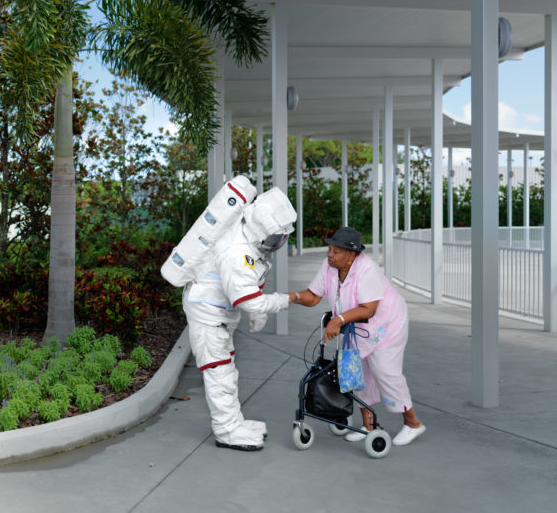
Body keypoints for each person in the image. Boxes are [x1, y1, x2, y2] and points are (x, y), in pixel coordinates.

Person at [182, 187, 296, 451]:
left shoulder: (244, 235)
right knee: (219, 373)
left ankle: (234, 423)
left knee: (227, 371)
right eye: (275, 237)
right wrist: (285, 300)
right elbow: (248, 299)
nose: (277, 243)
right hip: (208, 314)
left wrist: (256, 312)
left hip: (217, 312)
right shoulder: (236, 252)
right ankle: (226, 432)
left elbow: (250, 282)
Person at [289, 227, 426, 446]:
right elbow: (313, 296)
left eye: (335, 251)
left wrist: (338, 320)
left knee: (385, 373)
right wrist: (290, 297)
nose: (329, 255)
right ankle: (368, 426)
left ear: (352, 254)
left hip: (386, 325)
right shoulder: (330, 266)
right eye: (329, 249)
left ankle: (412, 424)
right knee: (353, 372)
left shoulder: (367, 270)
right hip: (353, 326)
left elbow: (369, 309)